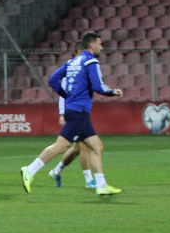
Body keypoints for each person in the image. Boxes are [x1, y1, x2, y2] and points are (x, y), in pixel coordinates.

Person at [20, 31, 123, 196]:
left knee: (96, 146)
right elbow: (98, 87)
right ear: (91, 45)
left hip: (74, 109)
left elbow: (53, 80)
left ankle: (102, 185)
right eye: (99, 43)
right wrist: (113, 92)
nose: (101, 47)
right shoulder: (91, 62)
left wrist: (67, 95)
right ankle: (30, 170)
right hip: (79, 111)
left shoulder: (72, 62)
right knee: (61, 146)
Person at [48, 43, 95, 189]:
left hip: (78, 111)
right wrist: (62, 114)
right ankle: (89, 180)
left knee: (76, 148)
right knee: (84, 146)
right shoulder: (71, 68)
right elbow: (63, 94)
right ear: (79, 51)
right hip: (71, 112)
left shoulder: (80, 68)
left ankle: (57, 171)